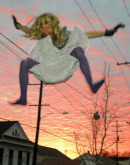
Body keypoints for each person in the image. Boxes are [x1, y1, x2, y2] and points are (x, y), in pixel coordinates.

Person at [9, 13, 125, 105]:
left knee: (78, 50)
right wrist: (18, 26)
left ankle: (92, 85)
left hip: (64, 67)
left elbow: (86, 34)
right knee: (25, 63)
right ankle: (23, 97)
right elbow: (30, 31)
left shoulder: (67, 34)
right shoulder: (44, 36)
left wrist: (106, 32)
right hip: (49, 69)